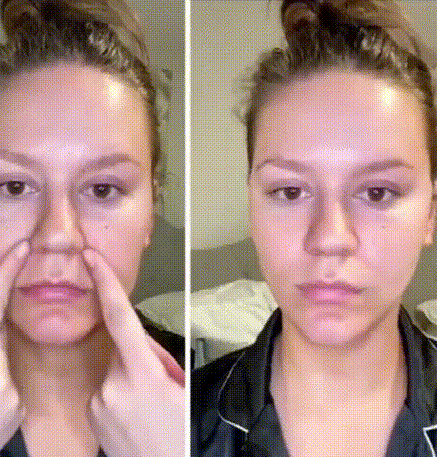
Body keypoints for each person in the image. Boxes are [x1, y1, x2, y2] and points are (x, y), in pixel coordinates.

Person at [191, 1, 437, 456]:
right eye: (290, 192)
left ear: (431, 214)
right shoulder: (176, 424)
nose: (329, 239)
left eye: (377, 192)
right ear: (252, 206)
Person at [0, 1, 184, 456]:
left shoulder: (209, 399)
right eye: (15, 186)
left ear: (150, 214)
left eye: (102, 189)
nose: (57, 236)